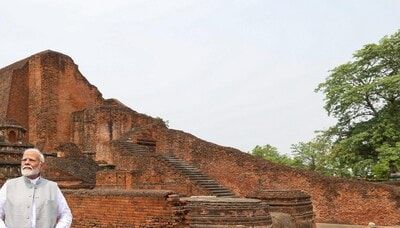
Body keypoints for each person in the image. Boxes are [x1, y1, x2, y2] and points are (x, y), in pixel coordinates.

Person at [0, 148, 72, 228]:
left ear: (41, 165)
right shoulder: (9, 185)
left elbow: (66, 214)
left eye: (31, 160)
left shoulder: (52, 187)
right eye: (24, 160)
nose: (27, 162)